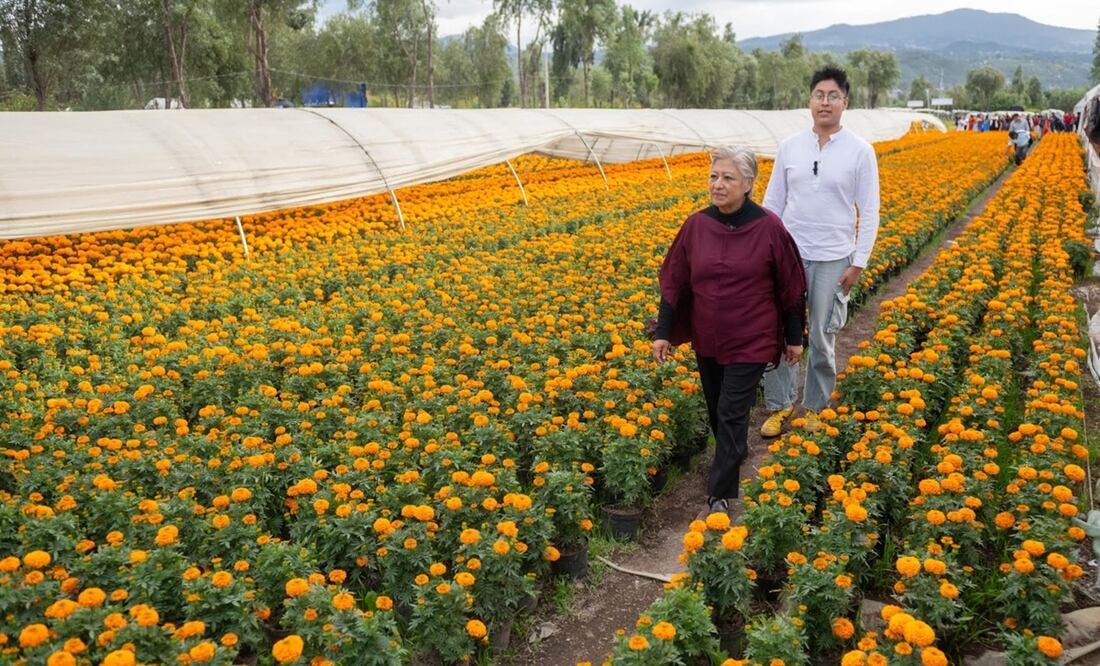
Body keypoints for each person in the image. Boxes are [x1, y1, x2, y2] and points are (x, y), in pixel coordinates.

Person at [652, 146, 807, 516]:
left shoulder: (769, 227)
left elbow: (791, 286)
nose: (717, 185)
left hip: (752, 336)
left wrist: (794, 337)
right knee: (717, 408)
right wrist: (663, 331)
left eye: (727, 178)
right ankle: (734, 451)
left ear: (748, 183)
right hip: (708, 336)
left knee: (731, 410)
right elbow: (675, 282)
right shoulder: (696, 226)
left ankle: (719, 496)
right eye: (713, 177)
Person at [759, 65, 881, 437]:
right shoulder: (790, 147)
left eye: (833, 96)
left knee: (823, 336)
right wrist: (762, 252)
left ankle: (814, 406)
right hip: (789, 257)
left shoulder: (860, 151)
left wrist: (858, 263)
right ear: (810, 101)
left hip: (834, 258)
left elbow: (870, 210)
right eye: (819, 95)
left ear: (845, 103)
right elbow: (772, 204)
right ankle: (780, 405)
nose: (825, 102)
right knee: (780, 331)